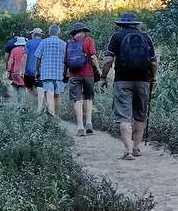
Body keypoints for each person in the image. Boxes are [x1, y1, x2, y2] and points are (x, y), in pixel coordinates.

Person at [100, 13, 158, 160]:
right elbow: (153, 62)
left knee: (124, 117)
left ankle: (128, 151)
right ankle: (137, 148)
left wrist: (103, 77)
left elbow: (108, 61)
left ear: (120, 25)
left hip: (122, 81)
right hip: (143, 81)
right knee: (140, 115)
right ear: (136, 24)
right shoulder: (145, 37)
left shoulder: (116, 37)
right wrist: (153, 77)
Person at [66, 22, 100, 136]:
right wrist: (99, 70)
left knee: (77, 100)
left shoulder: (69, 43)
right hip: (88, 74)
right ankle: (89, 123)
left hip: (74, 75)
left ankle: (80, 127)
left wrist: (65, 75)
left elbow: (66, 61)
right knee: (88, 98)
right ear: (82, 31)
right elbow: (93, 57)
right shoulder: (88, 40)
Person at [34, 25, 67, 117]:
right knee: (58, 95)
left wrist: (37, 71)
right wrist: (65, 72)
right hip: (60, 74)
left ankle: (51, 116)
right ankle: (57, 116)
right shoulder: (63, 44)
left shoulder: (43, 42)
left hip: (46, 73)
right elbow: (66, 60)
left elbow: (38, 58)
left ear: (49, 33)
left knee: (49, 93)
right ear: (58, 33)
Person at [24, 28, 44, 112]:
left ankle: (31, 107)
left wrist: (22, 69)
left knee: (29, 89)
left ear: (33, 34)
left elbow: (25, 57)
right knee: (40, 89)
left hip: (29, 70)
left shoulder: (28, 43)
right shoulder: (44, 43)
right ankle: (39, 109)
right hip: (41, 71)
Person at [7, 36, 28, 105]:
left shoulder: (14, 50)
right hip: (23, 73)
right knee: (22, 88)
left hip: (15, 72)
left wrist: (9, 70)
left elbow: (10, 62)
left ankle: (16, 104)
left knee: (15, 87)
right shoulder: (26, 50)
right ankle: (21, 105)